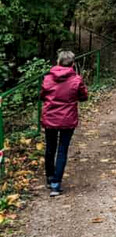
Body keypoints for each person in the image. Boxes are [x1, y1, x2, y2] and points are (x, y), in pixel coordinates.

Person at [40, 50, 88, 197]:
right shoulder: (77, 80)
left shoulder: (47, 78)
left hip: (50, 118)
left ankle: (49, 177)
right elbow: (83, 96)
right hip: (68, 119)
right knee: (62, 150)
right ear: (73, 64)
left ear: (58, 62)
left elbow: (42, 96)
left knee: (50, 147)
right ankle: (56, 184)